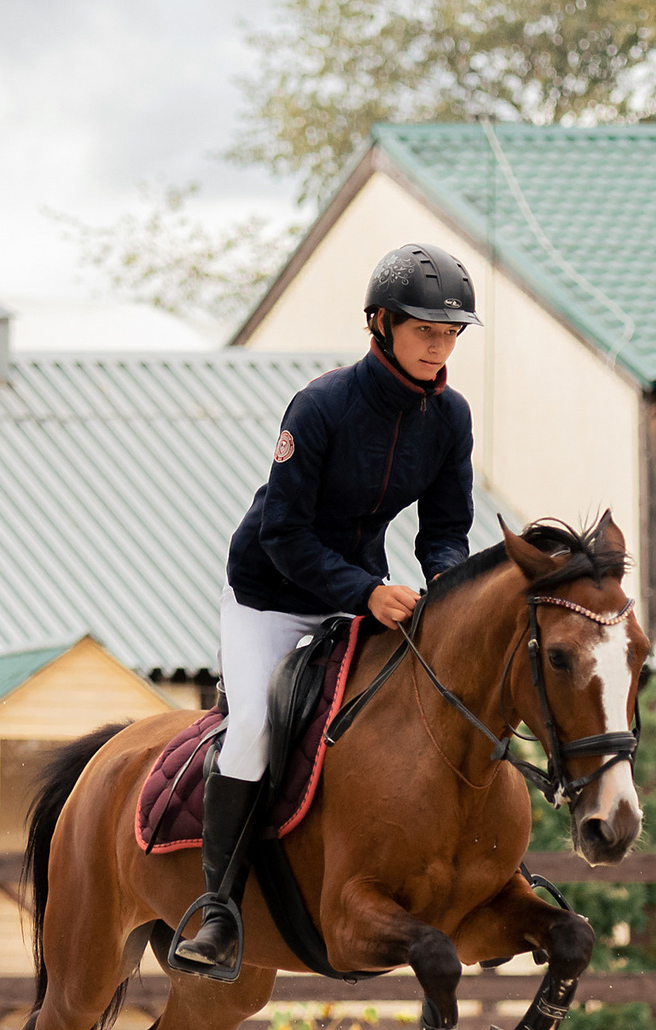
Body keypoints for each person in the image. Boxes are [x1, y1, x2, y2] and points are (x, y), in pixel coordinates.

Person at [169, 242, 479, 977]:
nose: (439, 347)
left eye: (450, 334)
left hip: (355, 599)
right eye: (425, 331)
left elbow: (444, 531)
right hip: (269, 597)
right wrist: (367, 592)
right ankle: (218, 909)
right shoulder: (320, 406)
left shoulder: (450, 418)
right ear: (381, 324)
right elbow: (284, 535)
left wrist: (448, 590)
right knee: (251, 726)